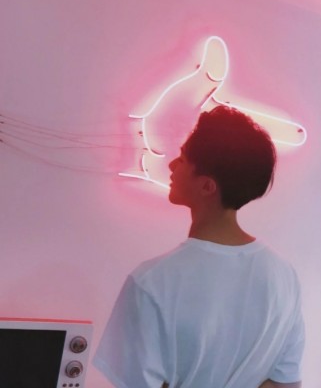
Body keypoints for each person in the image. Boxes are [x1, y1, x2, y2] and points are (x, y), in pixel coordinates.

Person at [93, 105, 305, 388]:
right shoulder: (283, 277)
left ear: (207, 186)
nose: (171, 166)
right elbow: (284, 382)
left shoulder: (152, 282)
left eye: (182, 159)